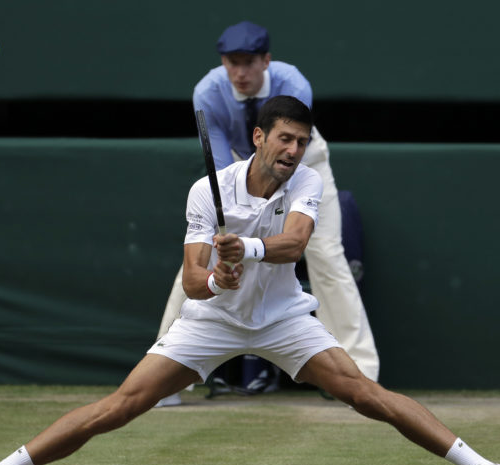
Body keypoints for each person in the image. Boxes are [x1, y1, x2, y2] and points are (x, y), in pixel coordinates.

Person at [0, 96, 500, 465]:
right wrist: (220, 279)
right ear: (259, 138)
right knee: (121, 405)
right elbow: (193, 281)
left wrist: (244, 248)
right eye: (285, 138)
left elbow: (294, 245)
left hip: (283, 319)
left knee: (365, 395)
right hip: (213, 320)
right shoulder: (207, 191)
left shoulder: (306, 182)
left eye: (302, 141)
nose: (294, 150)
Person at [155, 21, 378, 405]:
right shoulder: (207, 92)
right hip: (241, 170)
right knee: (197, 262)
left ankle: (360, 375)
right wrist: (228, 226)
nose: (239, 72)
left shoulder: (294, 84)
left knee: (327, 255)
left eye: (248, 62)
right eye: (232, 62)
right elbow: (220, 170)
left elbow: (292, 148)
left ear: (266, 61)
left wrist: (252, 240)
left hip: (303, 166)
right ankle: (165, 380)